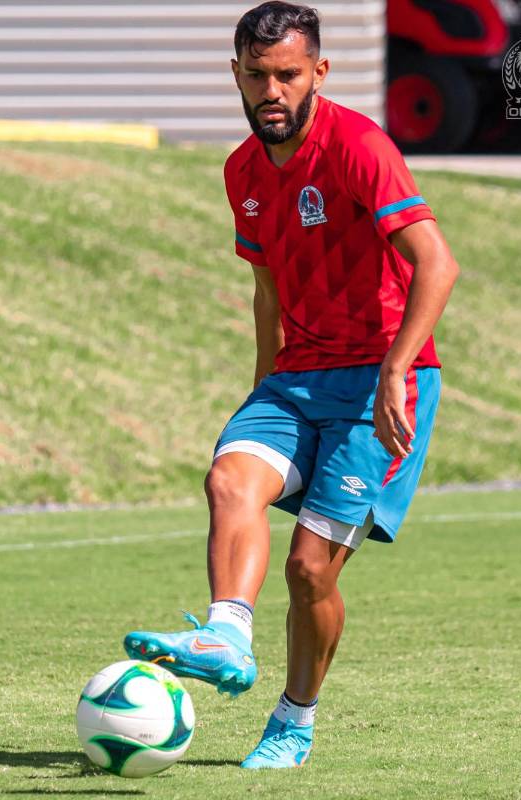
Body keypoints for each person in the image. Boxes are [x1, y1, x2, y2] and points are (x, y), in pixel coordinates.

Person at [124, 1, 459, 769]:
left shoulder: (359, 147)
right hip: (294, 378)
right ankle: (226, 635)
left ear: (319, 73)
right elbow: (267, 292)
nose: (271, 91)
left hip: (378, 383)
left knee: (310, 570)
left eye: (287, 75)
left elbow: (437, 263)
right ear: (235, 75)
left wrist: (396, 368)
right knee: (229, 478)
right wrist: (258, 397)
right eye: (256, 75)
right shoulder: (241, 171)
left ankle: (294, 720)